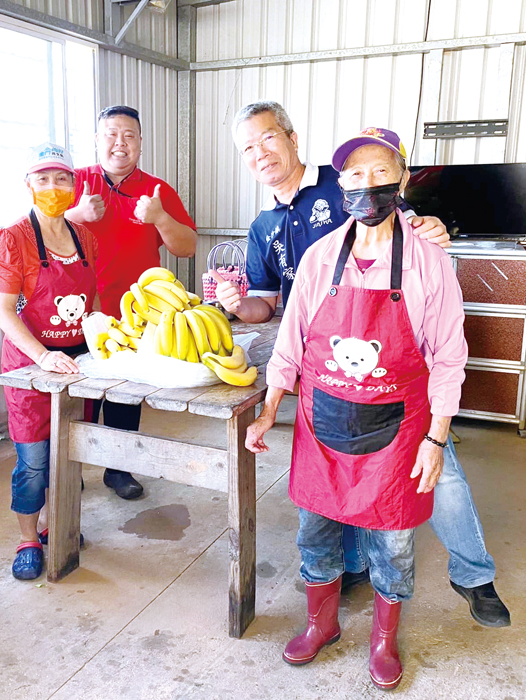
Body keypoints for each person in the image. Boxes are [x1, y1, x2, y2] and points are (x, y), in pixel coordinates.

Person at [213, 101, 510, 628]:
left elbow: (396, 217)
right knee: (333, 492)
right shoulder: (265, 227)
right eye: (248, 148)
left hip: (397, 389)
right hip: (330, 378)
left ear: (291, 137)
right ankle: (345, 578)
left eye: (268, 139)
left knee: (437, 479)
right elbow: (273, 307)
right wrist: (239, 306)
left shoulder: (341, 183)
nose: (261, 154)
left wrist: (428, 227)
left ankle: (473, 575)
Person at [245, 128, 468, 689]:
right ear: (340, 183)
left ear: (402, 179)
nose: (366, 185)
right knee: (314, 532)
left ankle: (384, 638)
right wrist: (271, 405)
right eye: (354, 174)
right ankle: (321, 624)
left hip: (399, 432)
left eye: (379, 172)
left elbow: (447, 358)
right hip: (322, 425)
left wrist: (437, 438)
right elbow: (292, 339)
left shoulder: (429, 262)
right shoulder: (321, 257)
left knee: (392, 539)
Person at [66, 105, 198, 499]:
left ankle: (118, 468)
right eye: (111, 134)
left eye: (129, 136)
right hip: (74, 310)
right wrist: (76, 214)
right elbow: (36, 230)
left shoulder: (157, 190)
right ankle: (69, 469)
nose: (119, 143)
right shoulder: (74, 182)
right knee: (77, 395)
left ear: (140, 144)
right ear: (96, 139)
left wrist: (159, 218)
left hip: (134, 314)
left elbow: (187, 247)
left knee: (125, 395)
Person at [0, 143, 99, 580]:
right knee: (34, 460)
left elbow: (89, 301)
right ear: (29, 185)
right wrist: (42, 354)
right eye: (44, 179)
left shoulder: (84, 236)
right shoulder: (12, 239)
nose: (54, 187)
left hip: (77, 366)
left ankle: (59, 526)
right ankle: (28, 538)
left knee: (67, 456)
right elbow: (3, 312)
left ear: (74, 185)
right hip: (30, 368)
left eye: (62, 179)